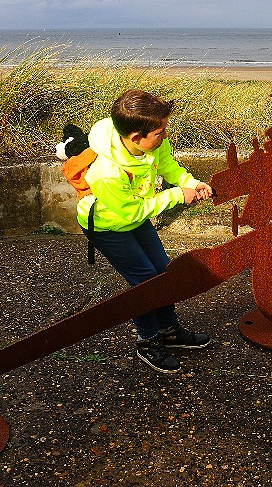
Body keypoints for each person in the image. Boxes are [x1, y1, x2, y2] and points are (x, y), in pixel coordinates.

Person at [76, 89, 214, 373]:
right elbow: (130, 212)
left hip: (134, 215)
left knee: (165, 271)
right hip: (108, 225)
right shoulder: (107, 172)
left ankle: (168, 330)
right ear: (136, 137)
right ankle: (148, 340)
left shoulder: (151, 142)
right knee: (145, 281)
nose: (165, 136)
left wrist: (191, 182)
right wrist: (178, 195)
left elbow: (167, 165)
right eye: (160, 133)